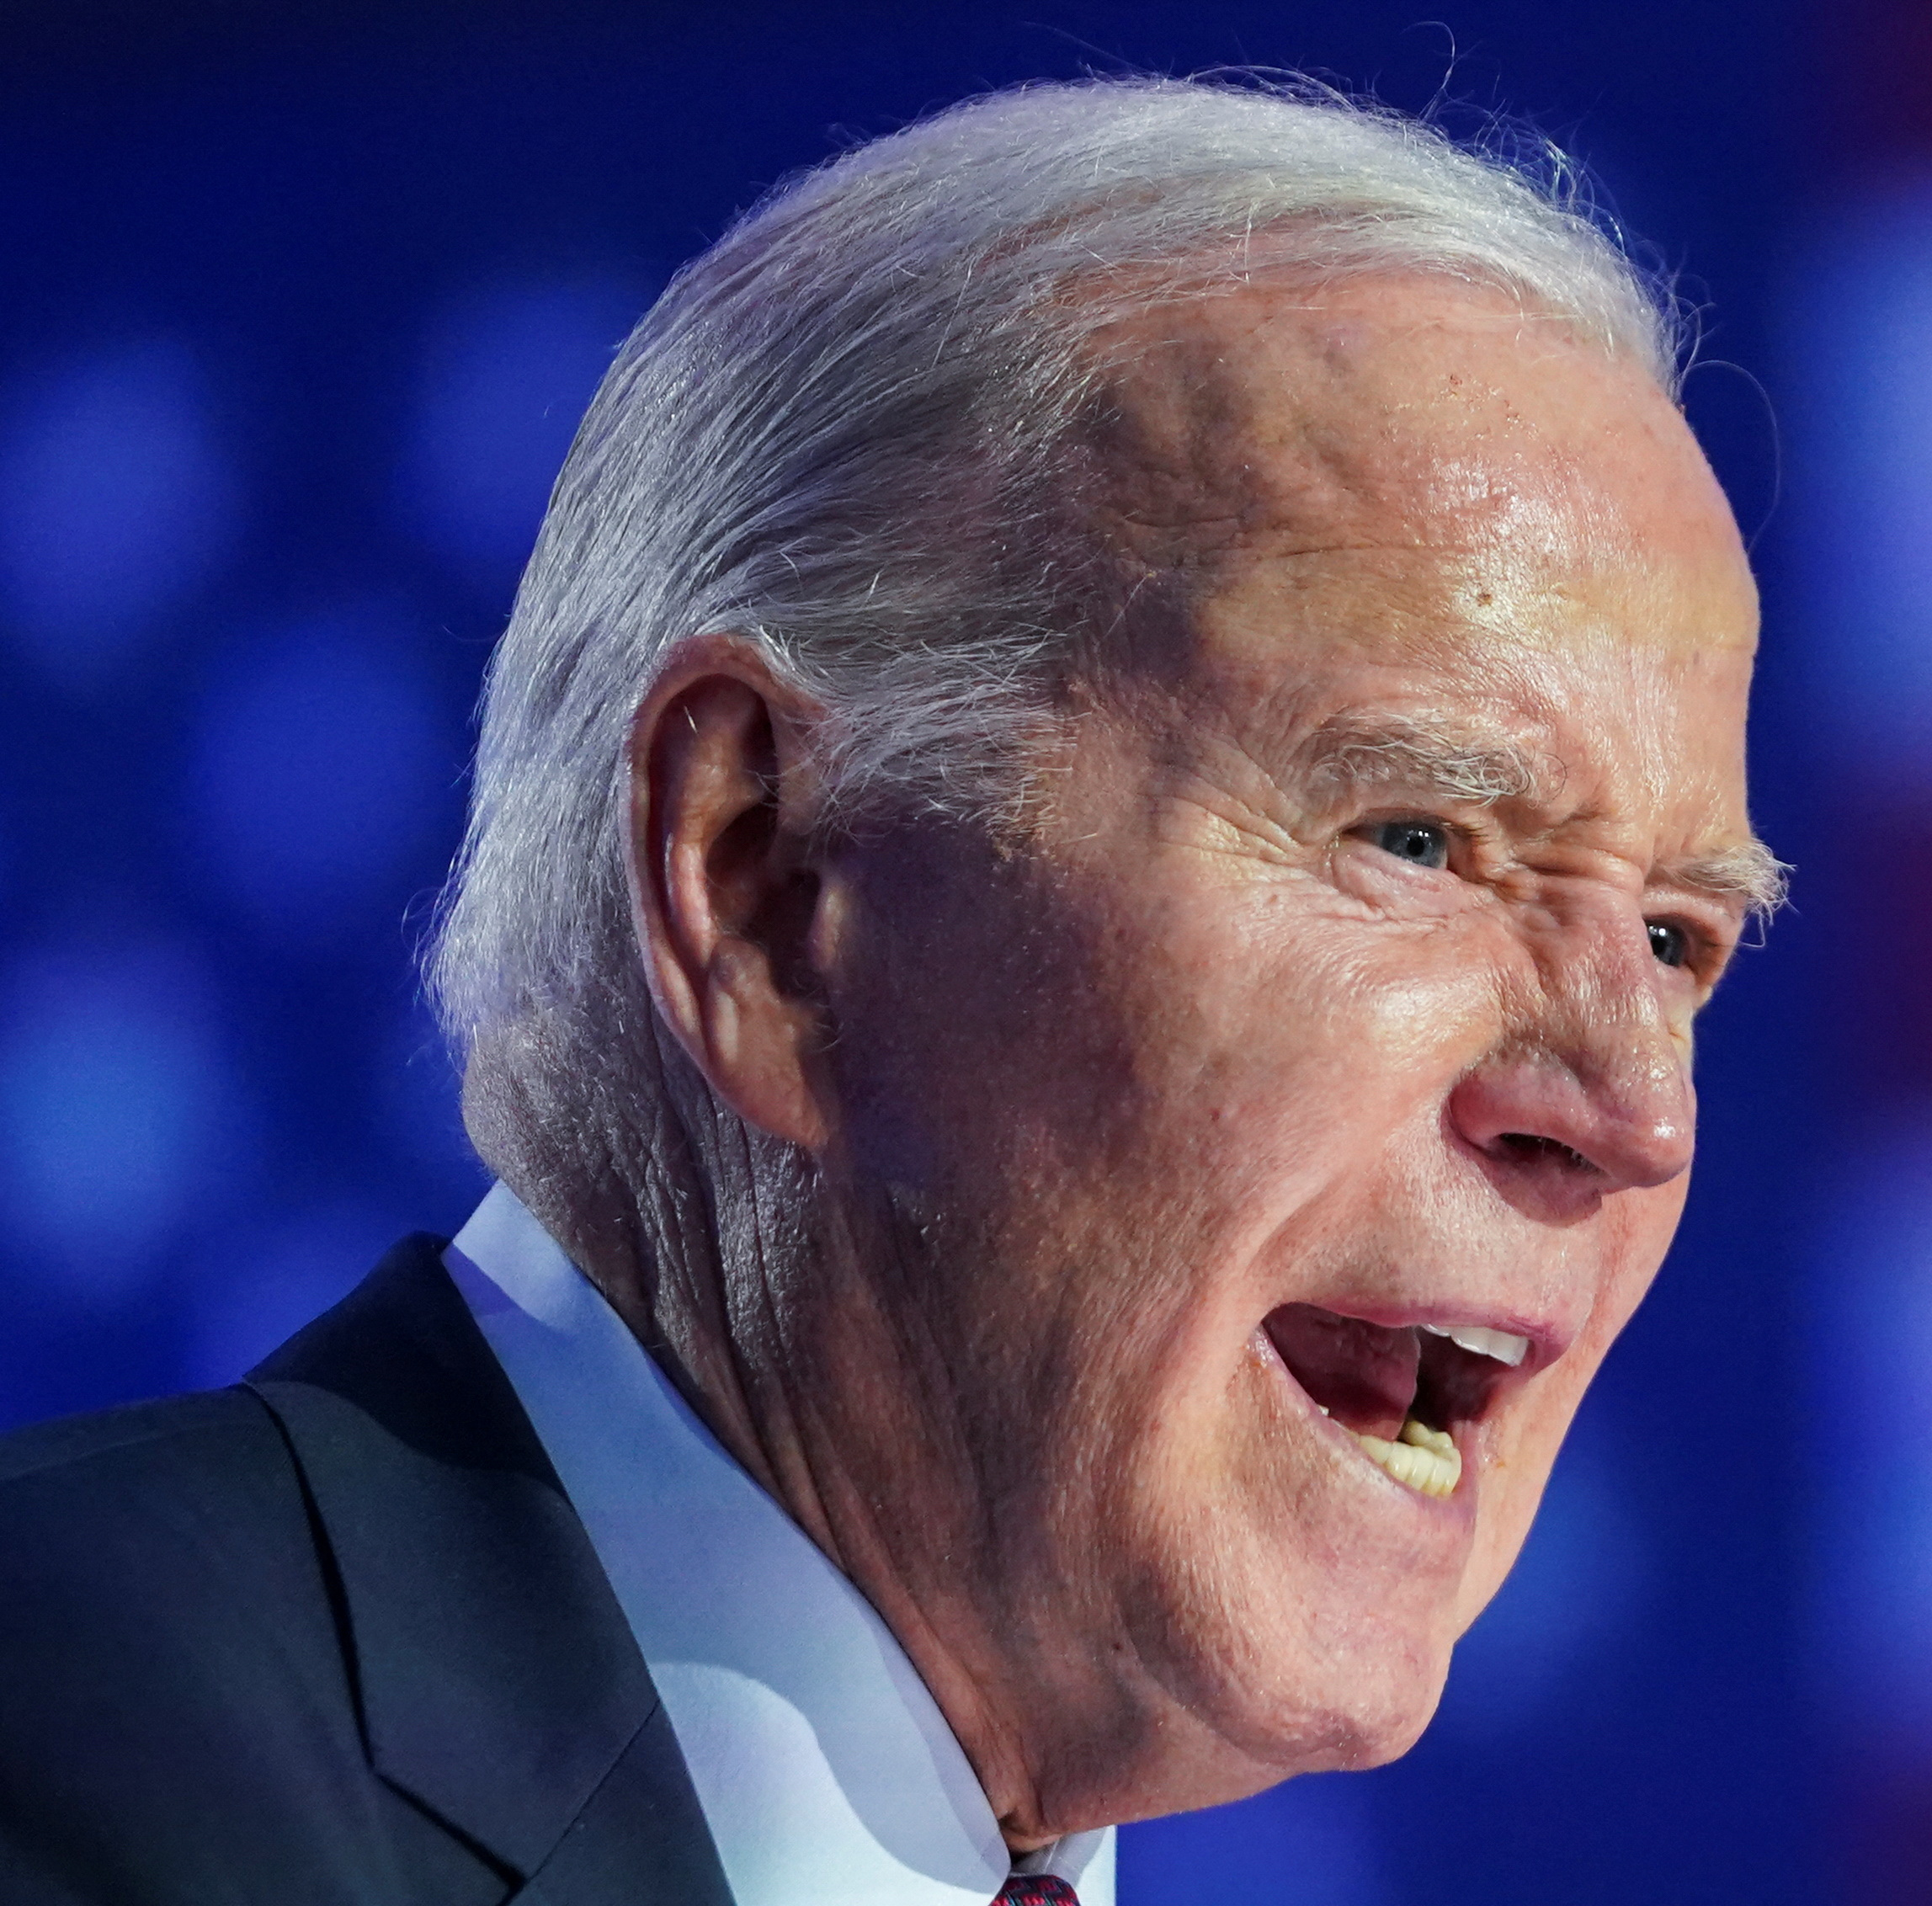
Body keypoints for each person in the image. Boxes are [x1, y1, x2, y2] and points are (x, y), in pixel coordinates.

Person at [0, 74, 1779, 1905]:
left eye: (1675, 937)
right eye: (1414, 837)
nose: (1627, 1113)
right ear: (769, 885)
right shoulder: (83, 1754)